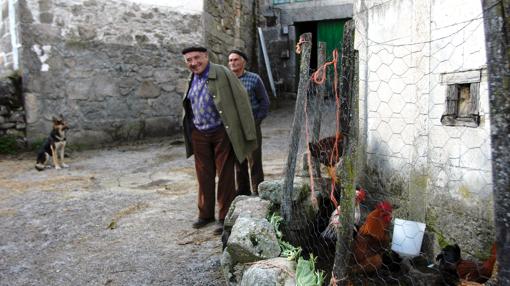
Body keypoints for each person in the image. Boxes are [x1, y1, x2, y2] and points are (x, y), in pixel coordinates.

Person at [181, 46, 257, 235]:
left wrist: (248, 132)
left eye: (197, 58)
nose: (193, 63)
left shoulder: (223, 72)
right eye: (189, 60)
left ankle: (224, 218)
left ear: (206, 56)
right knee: (203, 175)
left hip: (222, 131)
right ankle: (205, 214)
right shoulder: (191, 78)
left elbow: (242, 100)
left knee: (225, 175)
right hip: (199, 132)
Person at [228, 49, 270, 196]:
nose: (232, 63)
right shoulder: (227, 80)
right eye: (230, 60)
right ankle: (243, 192)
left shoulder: (254, 79)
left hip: (251, 126)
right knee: (239, 161)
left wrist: (256, 121)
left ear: (243, 62)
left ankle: (258, 191)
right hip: (234, 127)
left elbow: (264, 102)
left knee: (255, 160)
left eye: (235, 60)